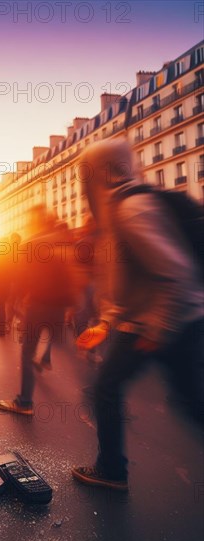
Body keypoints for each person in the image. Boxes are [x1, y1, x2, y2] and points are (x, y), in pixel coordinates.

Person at [72, 137, 204, 491]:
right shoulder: (122, 207)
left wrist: (158, 331)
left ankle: (112, 471)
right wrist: (105, 323)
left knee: (107, 388)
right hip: (159, 320)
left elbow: (175, 274)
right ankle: (112, 469)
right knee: (189, 401)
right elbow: (127, 278)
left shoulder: (131, 209)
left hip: (169, 320)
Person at [0, 205, 80, 415]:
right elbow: (72, 275)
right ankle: (91, 385)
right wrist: (71, 304)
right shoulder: (63, 242)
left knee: (27, 352)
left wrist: (18, 301)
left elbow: (21, 278)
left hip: (37, 306)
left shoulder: (30, 244)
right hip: (58, 307)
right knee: (63, 347)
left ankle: (24, 402)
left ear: (35, 221)